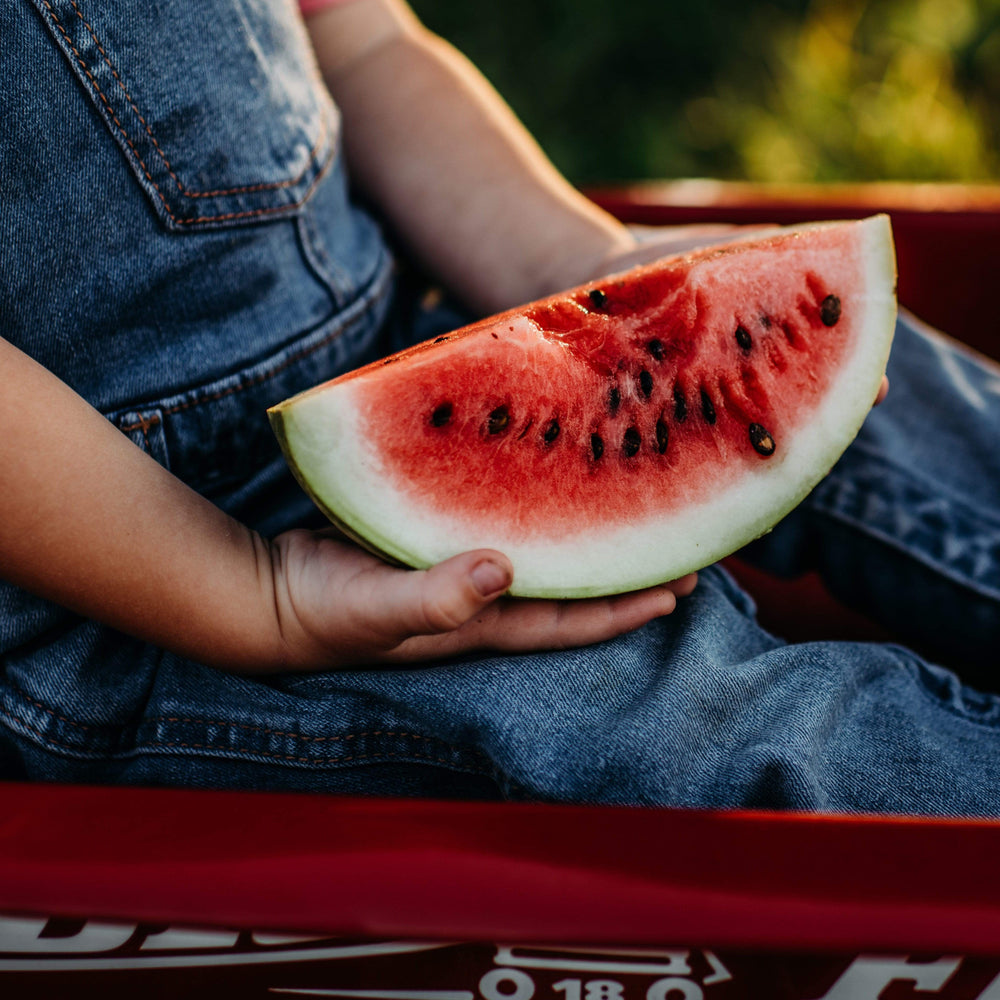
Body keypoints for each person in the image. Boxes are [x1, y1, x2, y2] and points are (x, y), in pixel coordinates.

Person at [1, 0, 998, 812]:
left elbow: (361, 36)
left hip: (385, 348)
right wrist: (252, 596)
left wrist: (578, 262)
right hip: (120, 586)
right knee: (712, 725)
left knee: (903, 393)